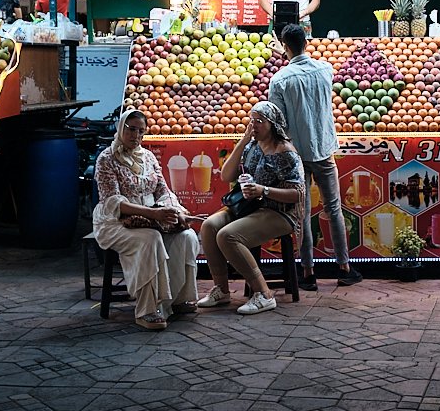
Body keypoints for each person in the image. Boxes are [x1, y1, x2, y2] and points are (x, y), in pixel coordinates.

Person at [268, 22, 362, 290]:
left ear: (285, 46)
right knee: (334, 208)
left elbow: (277, 119)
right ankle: (344, 268)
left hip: (296, 155)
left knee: (303, 212)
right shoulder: (325, 70)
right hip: (323, 149)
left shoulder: (280, 80)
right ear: (307, 42)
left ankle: (308, 273)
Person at [93, 108, 199, 331]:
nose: (136, 136)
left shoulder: (148, 157)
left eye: (141, 131)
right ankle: (147, 309)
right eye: (131, 130)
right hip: (114, 222)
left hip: (151, 216)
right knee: (150, 239)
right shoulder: (107, 159)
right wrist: (153, 214)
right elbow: (113, 203)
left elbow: (163, 190)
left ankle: (178, 299)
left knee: (187, 236)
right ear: (121, 128)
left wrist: (174, 210)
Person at [198, 100, 305, 316]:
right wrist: (244, 140)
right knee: (209, 226)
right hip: (249, 206)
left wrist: (263, 190)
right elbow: (227, 175)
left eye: (260, 121)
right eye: (252, 121)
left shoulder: (285, 152)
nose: (254, 125)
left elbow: (297, 194)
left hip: (280, 212)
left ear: (273, 124)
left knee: (228, 235)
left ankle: (264, 294)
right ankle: (222, 289)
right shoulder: (252, 147)